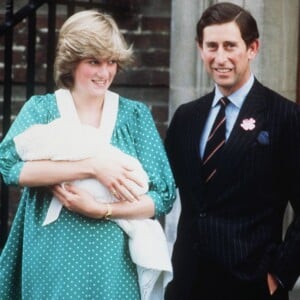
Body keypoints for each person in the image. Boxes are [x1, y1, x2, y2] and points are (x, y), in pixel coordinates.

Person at [0, 10, 176, 300]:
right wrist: (92, 167)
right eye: (94, 62)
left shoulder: (134, 116)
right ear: (72, 61)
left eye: (111, 62)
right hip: (51, 255)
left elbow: (162, 197)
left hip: (113, 263)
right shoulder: (42, 110)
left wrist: (102, 210)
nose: (104, 73)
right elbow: (9, 167)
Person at [164, 2, 300, 300]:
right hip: (186, 284)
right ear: (200, 49)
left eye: (230, 46)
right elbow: (160, 190)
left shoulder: (284, 117)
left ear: (253, 48)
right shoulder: (186, 117)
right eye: (211, 46)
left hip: (251, 286)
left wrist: (279, 275)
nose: (220, 57)